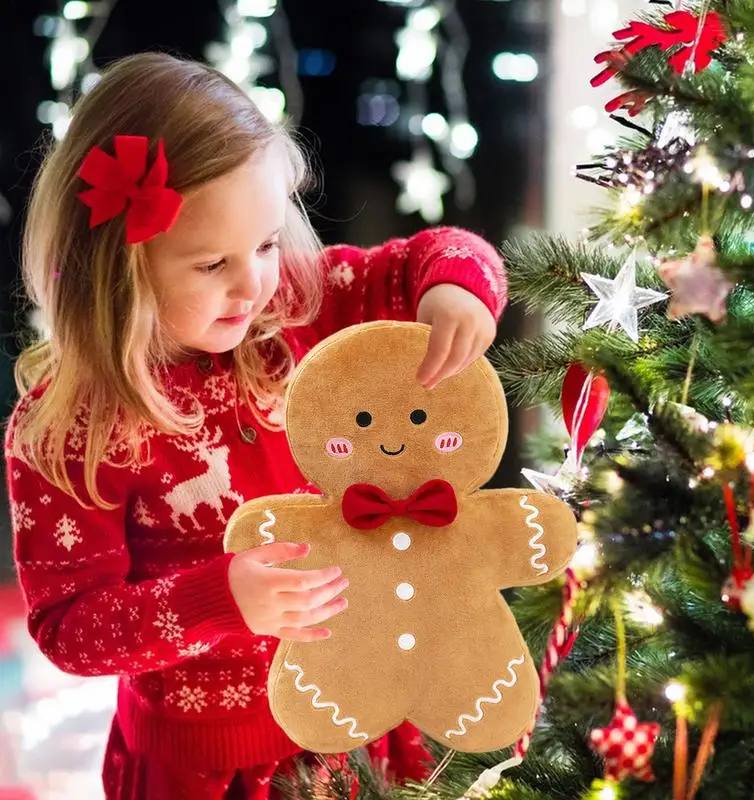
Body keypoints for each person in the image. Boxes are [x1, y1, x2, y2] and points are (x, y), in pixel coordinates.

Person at [4, 52, 507, 799]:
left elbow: (437, 254)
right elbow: (70, 629)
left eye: (268, 244)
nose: (253, 284)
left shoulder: (297, 311)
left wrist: (455, 292)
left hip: (362, 716)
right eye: (211, 265)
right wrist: (220, 598)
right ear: (115, 267)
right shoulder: (68, 427)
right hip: (208, 765)